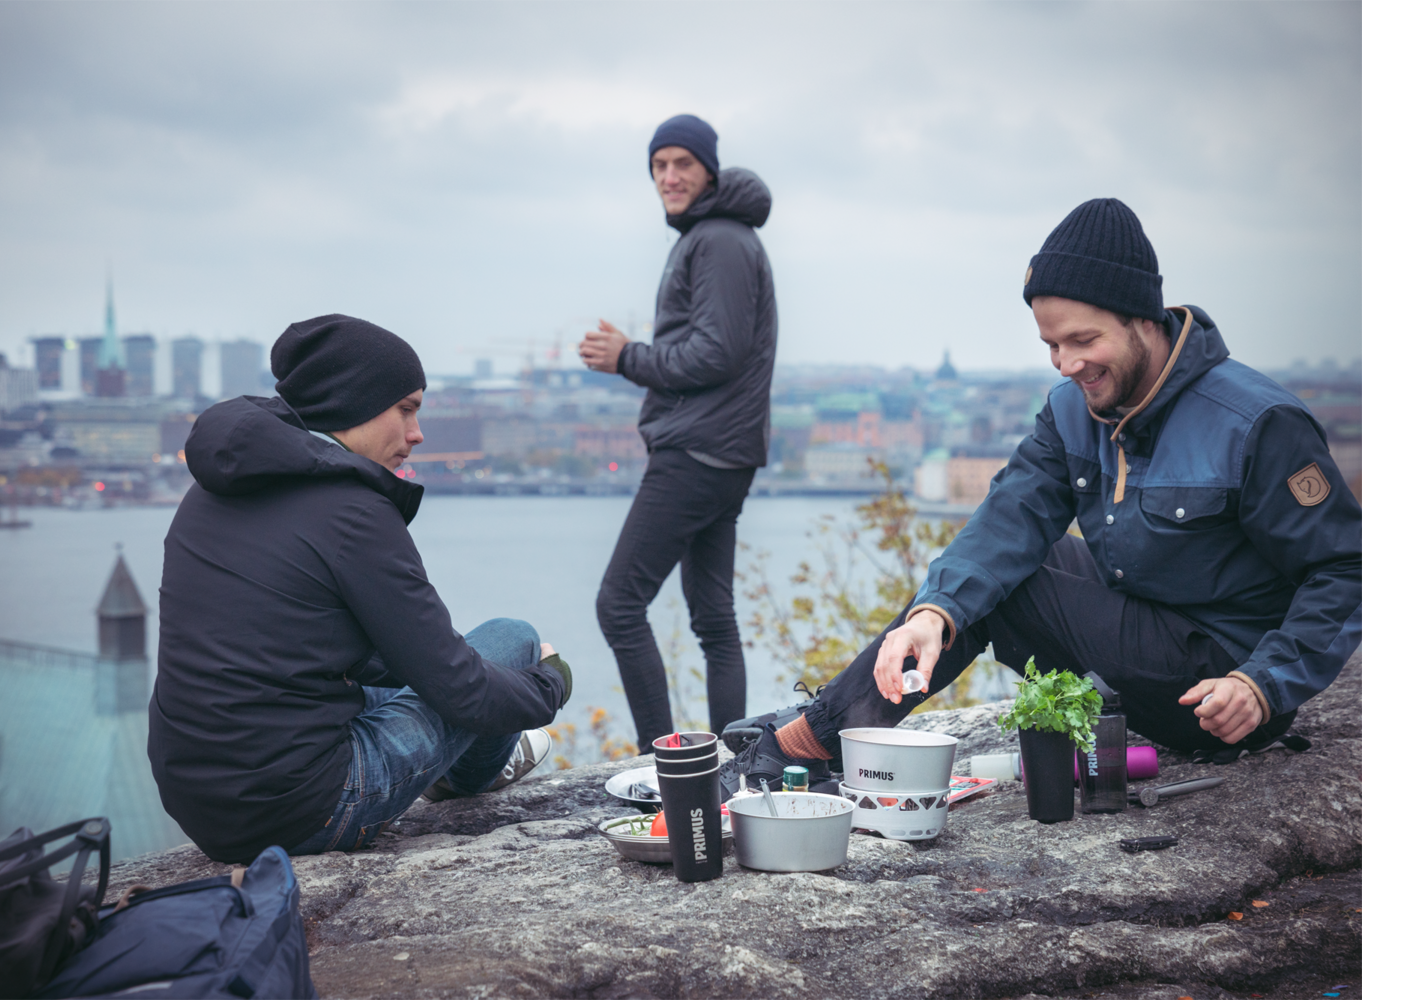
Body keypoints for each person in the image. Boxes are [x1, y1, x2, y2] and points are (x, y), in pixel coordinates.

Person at [718, 197, 1361, 794]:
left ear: (1144, 319)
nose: (1067, 364)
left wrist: (1262, 683)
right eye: (1052, 345)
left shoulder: (1256, 423)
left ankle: (812, 742)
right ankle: (829, 719)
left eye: (1084, 340)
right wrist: (932, 615)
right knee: (986, 576)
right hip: (1144, 635)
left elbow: (1346, 567)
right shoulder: (1073, 410)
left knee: (1015, 589)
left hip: (1222, 689)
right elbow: (1009, 520)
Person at [149, 315, 573, 864]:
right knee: (512, 640)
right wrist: (548, 683)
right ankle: (471, 771)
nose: (417, 434)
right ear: (355, 402)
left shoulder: (211, 490)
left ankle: (462, 749)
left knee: (436, 673)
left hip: (201, 803)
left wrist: (439, 668)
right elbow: (461, 689)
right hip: (306, 810)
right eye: (407, 409)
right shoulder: (354, 511)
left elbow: (306, 643)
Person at [578, 113, 778, 752]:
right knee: (714, 619)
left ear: (709, 171)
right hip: (723, 451)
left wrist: (626, 357)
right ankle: (733, 762)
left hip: (697, 451)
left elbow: (716, 353)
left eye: (682, 163)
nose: (668, 176)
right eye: (658, 165)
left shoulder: (718, 240)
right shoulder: (715, 236)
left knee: (618, 604)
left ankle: (663, 766)